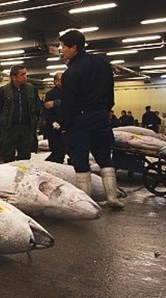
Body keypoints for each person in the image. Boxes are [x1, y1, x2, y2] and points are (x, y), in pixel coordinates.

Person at [58, 29, 123, 209]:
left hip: (80, 119)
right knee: (104, 156)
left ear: (74, 47)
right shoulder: (102, 63)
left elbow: (69, 102)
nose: (61, 50)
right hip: (101, 116)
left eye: (63, 47)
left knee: (80, 159)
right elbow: (110, 92)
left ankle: (87, 203)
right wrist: (105, 110)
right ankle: (112, 197)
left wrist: (65, 124)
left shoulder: (72, 72)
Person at [0, 65, 41, 163]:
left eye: (25, 74)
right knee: (7, 157)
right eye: (22, 74)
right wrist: (1, 126)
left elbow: (37, 108)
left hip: (26, 128)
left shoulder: (32, 90)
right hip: (9, 129)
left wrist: (34, 123)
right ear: (13, 77)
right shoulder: (3, 91)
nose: (25, 77)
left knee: (25, 158)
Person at [43, 71, 65, 163]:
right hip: (54, 127)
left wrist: (56, 103)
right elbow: (46, 110)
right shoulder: (51, 94)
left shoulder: (71, 91)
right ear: (56, 81)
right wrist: (53, 122)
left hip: (68, 125)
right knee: (57, 150)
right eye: (62, 79)